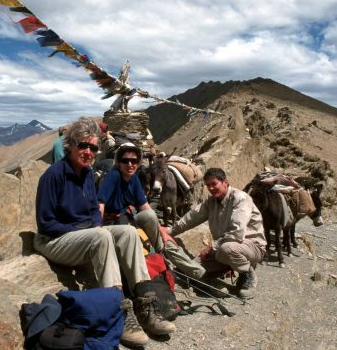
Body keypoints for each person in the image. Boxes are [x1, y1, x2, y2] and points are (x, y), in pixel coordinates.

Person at [33, 118, 174, 347]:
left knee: (128, 232)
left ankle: (146, 303)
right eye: (83, 145)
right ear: (71, 144)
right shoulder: (53, 175)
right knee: (101, 236)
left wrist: (95, 225)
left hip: (80, 234)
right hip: (53, 239)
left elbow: (93, 211)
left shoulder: (88, 175)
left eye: (93, 148)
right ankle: (117, 312)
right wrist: (89, 230)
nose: (88, 151)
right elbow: (45, 223)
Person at [167, 167, 266, 299]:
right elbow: (191, 218)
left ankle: (247, 274)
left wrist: (211, 248)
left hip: (250, 246)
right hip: (222, 249)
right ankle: (214, 283)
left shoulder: (240, 199)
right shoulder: (211, 202)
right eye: (208, 185)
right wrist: (169, 231)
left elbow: (236, 233)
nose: (211, 188)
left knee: (227, 249)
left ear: (225, 182)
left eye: (214, 184)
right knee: (190, 268)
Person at [97, 144, 163, 253]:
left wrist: (158, 227)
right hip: (112, 221)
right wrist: (98, 231)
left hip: (127, 218)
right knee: (130, 231)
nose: (130, 164)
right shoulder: (113, 176)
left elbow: (145, 207)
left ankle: (160, 250)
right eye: (125, 161)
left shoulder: (134, 179)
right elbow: (100, 203)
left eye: (134, 161)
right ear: (118, 163)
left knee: (150, 215)